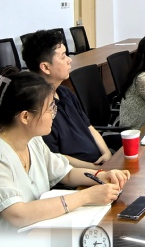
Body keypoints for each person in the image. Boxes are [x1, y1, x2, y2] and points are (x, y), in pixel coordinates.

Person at [0, 70, 129, 234]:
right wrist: (86, 196)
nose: (53, 115)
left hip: (38, 233)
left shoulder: (34, 141)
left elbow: (66, 173)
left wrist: (101, 175)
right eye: (50, 108)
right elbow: (18, 215)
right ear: (25, 117)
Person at [22, 30, 113, 167]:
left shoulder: (65, 92)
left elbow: (89, 127)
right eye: (63, 56)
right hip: (80, 172)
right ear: (45, 67)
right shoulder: (38, 108)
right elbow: (54, 157)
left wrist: (107, 154)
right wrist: (97, 169)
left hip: (101, 162)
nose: (69, 60)